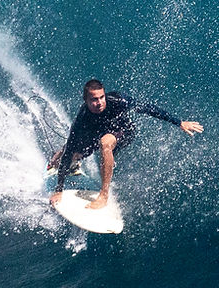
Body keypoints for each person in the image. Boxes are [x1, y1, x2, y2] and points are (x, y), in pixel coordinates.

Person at [47, 78, 202, 210]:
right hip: (97, 133)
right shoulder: (82, 119)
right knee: (72, 152)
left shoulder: (118, 101)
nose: (99, 102)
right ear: (85, 100)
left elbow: (149, 109)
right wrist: (59, 189)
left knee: (105, 143)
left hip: (123, 132)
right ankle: (62, 161)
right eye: (94, 99)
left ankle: (103, 195)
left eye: (101, 97)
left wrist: (179, 122)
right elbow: (71, 146)